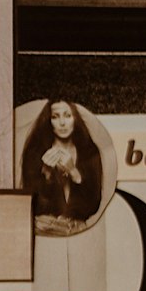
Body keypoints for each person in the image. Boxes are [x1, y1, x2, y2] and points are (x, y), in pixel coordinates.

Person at [19, 98, 103, 234]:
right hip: (44, 230)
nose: (62, 123)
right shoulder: (34, 152)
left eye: (68, 116)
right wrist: (46, 175)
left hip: (78, 231)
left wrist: (74, 173)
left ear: (76, 119)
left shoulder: (89, 152)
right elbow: (33, 206)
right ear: (49, 121)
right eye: (55, 117)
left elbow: (93, 205)